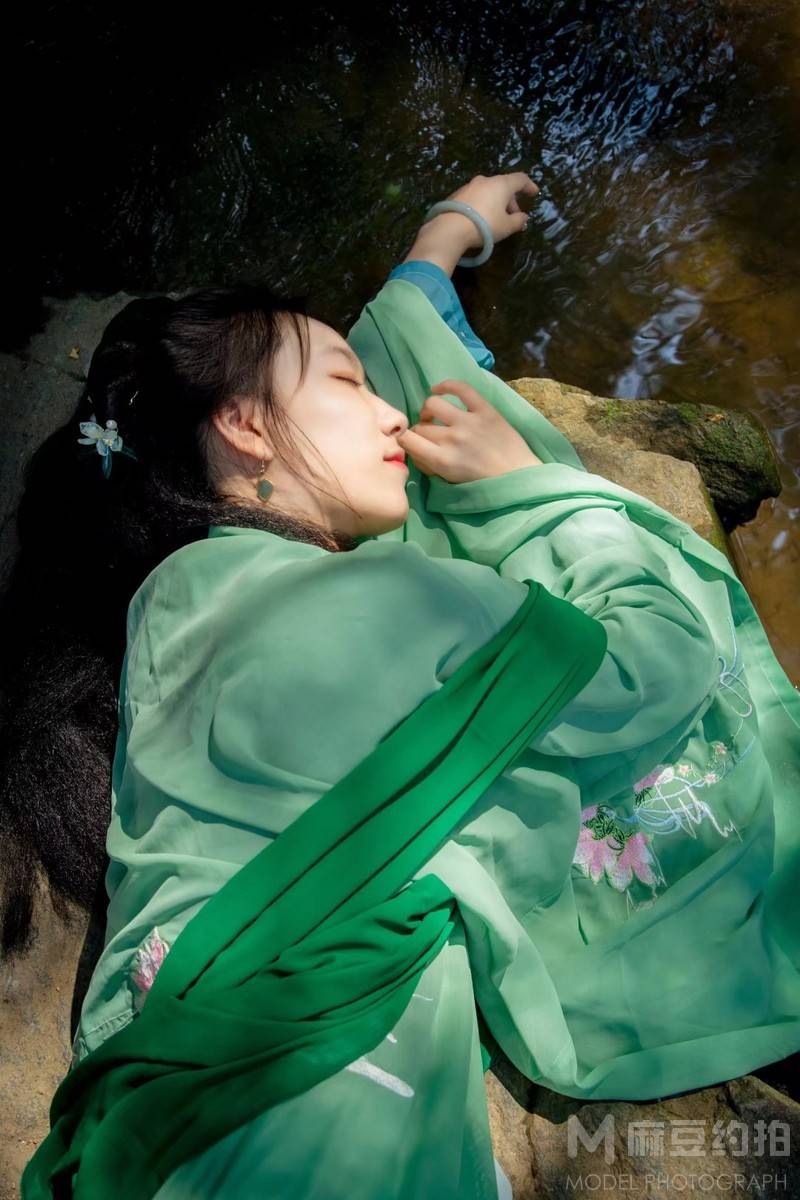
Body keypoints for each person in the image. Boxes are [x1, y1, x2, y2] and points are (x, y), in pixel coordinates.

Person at [6, 174, 800, 1200]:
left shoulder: (175, 610)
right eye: (350, 383)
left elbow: (357, 368)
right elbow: (654, 665)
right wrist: (528, 487)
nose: (392, 414)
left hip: (174, 1108)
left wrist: (443, 242)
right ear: (243, 425)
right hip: (293, 1125)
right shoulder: (363, 604)